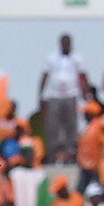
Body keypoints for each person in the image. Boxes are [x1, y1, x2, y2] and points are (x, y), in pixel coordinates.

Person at [41, 35, 86, 163]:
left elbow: (83, 76)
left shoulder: (77, 57)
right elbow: (45, 75)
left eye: (68, 43)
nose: (66, 45)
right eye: (64, 43)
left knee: (71, 126)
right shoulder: (51, 57)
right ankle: (52, 155)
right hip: (54, 95)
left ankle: (70, 155)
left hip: (71, 94)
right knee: (53, 126)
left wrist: (86, 94)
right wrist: (41, 95)